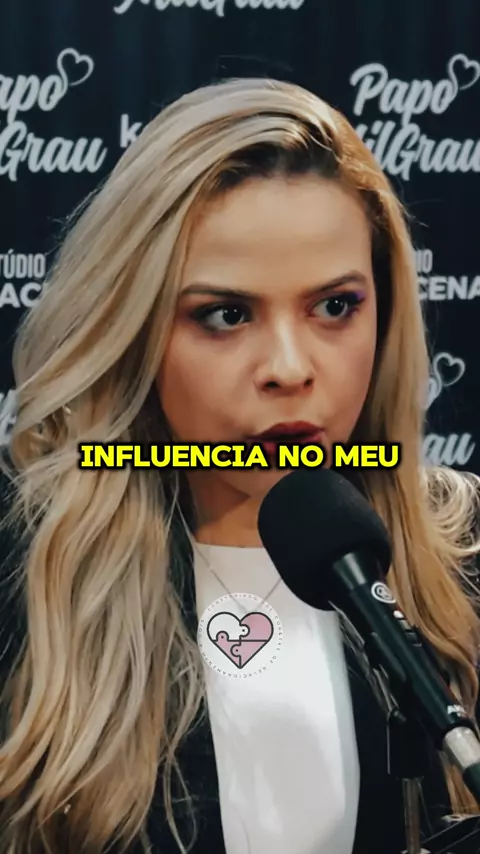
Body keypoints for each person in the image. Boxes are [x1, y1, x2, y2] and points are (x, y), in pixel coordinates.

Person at [0, 75, 479, 854]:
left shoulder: (467, 550)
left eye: (335, 306)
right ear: (135, 328)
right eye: (226, 315)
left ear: (386, 311)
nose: (289, 368)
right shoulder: (24, 565)